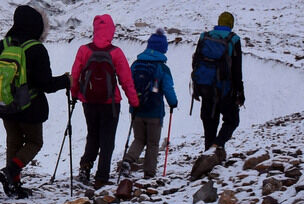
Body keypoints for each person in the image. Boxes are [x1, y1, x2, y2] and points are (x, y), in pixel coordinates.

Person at [0, 4, 70, 198]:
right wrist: (67, 81)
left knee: (13, 142)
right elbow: (46, 84)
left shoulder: (3, 45)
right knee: (34, 141)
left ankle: (13, 185)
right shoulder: (36, 49)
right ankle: (11, 172)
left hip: (4, 104)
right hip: (29, 107)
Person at [68, 15, 139, 188]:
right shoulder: (116, 52)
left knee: (92, 135)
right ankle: (101, 178)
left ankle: (85, 168)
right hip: (110, 103)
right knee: (107, 140)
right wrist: (134, 101)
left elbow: (75, 75)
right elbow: (126, 80)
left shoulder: (84, 50)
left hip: (88, 101)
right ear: (111, 31)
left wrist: (75, 95)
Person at [121, 31, 179, 179]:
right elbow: (168, 89)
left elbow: (128, 83)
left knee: (139, 139)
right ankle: (149, 173)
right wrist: (173, 102)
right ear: (163, 48)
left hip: (136, 110)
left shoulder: (136, 64)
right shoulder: (162, 68)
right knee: (153, 143)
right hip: (154, 112)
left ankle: (128, 161)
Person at [192, 11, 245, 154]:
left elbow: (196, 62)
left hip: (205, 87)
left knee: (209, 123)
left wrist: (196, 88)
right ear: (231, 24)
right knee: (232, 120)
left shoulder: (205, 37)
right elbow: (236, 70)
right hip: (225, 90)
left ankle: (208, 156)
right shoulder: (233, 40)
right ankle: (217, 146)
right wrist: (240, 92)